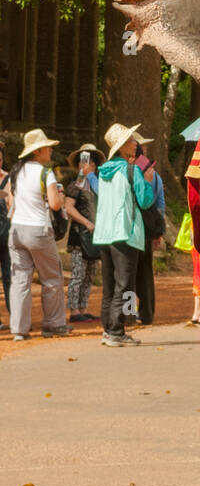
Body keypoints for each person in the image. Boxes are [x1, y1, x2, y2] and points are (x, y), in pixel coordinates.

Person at [92, 122, 156, 348]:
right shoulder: (132, 170)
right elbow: (146, 200)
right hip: (125, 233)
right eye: (130, 140)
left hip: (104, 234)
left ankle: (109, 328)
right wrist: (147, 182)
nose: (135, 143)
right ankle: (117, 330)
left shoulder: (104, 172)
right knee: (125, 284)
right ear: (121, 147)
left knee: (110, 285)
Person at [6, 128, 68, 340]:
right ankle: (53, 323)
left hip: (16, 230)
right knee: (51, 276)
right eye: (48, 148)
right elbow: (54, 205)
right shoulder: (45, 173)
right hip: (38, 230)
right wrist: (60, 196)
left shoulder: (16, 171)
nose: (50, 151)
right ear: (38, 151)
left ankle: (19, 329)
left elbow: (12, 201)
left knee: (20, 280)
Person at [64, 142, 103, 323]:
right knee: (78, 274)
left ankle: (83, 307)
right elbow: (68, 207)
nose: (86, 165)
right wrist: (86, 222)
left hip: (95, 235)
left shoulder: (98, 184)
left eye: (89, 162)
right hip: (80, 235)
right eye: (83, 161)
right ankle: (74, 310)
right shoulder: (76, 185)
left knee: (90, 274)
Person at [132, 135, 164, 326]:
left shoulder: (133, 170)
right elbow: (159, 203)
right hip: (146, 227)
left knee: (127, 274)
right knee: (144, 272)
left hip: (131, 228)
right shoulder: (152, 172)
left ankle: (129, 314)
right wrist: (157, 231)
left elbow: (145, 200)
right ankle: (146, 313)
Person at [0, 140, 11, 325]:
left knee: (11, 277)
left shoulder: (8, 178)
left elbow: (12, 205)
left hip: (7, 234)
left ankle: (15, 317)